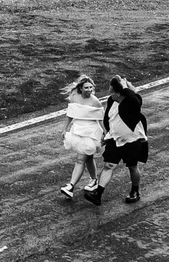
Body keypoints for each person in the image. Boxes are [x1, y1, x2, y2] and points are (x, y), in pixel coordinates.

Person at [59, 73, 108, 205]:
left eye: (91, 88)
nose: (89, 90)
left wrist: (106, 134)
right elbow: (70, 115)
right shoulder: (74, 97)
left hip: (91, 133)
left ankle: (71, 186)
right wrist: (65, 129)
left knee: (81, 159)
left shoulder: (95, 101)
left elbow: (101, 120)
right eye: (86, 88)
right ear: (81, 88)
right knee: (88, 158)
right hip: (78, 130)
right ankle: (94, 180)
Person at [102, 72, 150, 203]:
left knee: (132, 166)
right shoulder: (112, 100)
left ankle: (135, 190)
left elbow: (136, 100)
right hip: (115, 138)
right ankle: (98, 192)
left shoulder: (132, 101)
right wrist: (107, 133)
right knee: (108, 164)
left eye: (112, 92)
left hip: (132, 139)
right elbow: (107, 117)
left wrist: (125, 88)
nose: (110, 94)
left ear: (119, 92)